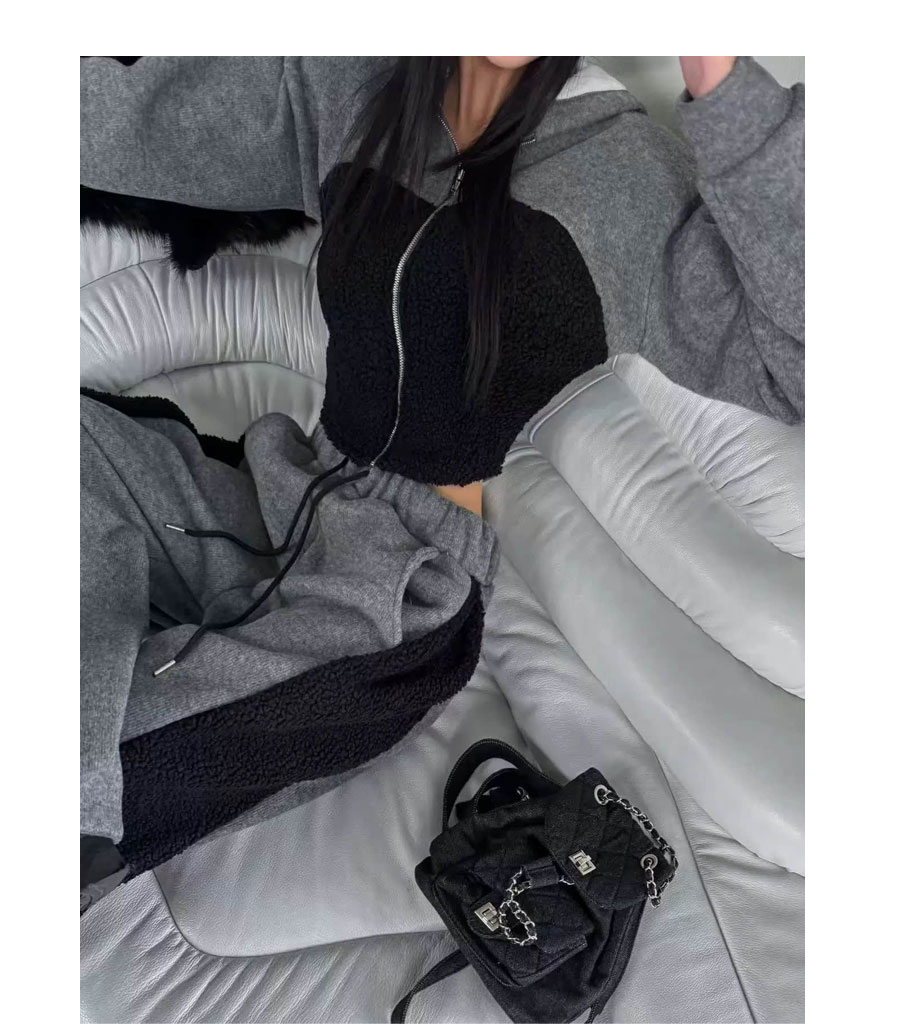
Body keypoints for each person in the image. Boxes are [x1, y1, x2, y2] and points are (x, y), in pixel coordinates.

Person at [79, 56, 804, 908]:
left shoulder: (624, 174)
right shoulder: (356, 90)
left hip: (404, 597)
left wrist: (722, 79)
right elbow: (140, 126)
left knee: (123, 773)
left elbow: (799, 365)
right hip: (277, 492)